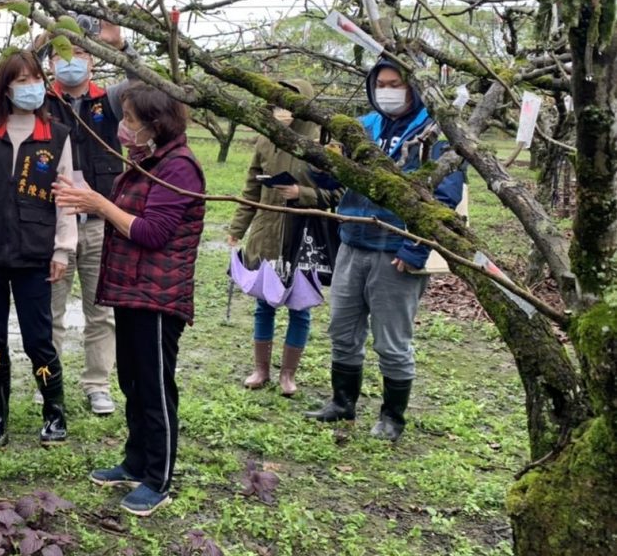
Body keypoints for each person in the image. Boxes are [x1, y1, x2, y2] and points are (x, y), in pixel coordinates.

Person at [55, 83, 206, 517]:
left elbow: (151, 233)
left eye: (131, 121)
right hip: (131, 289)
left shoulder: (179, 168)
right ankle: (135, 461)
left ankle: (158, 479)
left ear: (156, 124)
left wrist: (99, 204)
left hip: (157, 295)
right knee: (133, 383)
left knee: (156, 388)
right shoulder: (148, 160)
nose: (123, 128)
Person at [306, 57, 465, 442]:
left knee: (392, 340)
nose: (387, 91)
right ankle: (342, 402)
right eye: (382, 83)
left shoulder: (434, 133)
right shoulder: (363, 126)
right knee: (342, 328)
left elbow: (444, 198)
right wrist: (321, 161)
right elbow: (334, 177)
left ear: (414, 87)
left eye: (396, 83)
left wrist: (414, 250)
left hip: (395, 249)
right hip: (353, 242)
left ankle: (392, 416)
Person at [0, 50, 77, 448]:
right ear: (6, 88)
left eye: (35, 78)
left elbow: (66, 196)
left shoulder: (55, 136)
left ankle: (53, 411)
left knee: (38, 338)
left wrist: (62, 249)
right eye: (21, 81)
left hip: (33, 250)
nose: (31, 87)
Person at [39, 14, 130, 416]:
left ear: (93, 59)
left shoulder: (109, 101)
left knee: (102, 311)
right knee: (50, 311)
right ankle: (50, 383)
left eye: (80, 53)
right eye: (62, 54)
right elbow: (6, 83)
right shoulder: (40, 101)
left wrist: (121, 47)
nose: (71, 61)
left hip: (99, 223)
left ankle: (97, 385)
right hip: (51, 225)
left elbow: (149, 85)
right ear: (50, 62)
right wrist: (39, 40)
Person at [227, 79, 342, 396]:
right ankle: (261, 369)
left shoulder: (322, 144)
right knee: (264, 303)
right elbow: (251, 188)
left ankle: (288, 375)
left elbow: (339, 191)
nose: (282, 111)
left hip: (303, 234)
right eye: (276, 104)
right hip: (267, 232)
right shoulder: (265, 141)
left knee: (299, 307)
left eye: (289, 104)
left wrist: (301, 193)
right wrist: (238, 228)